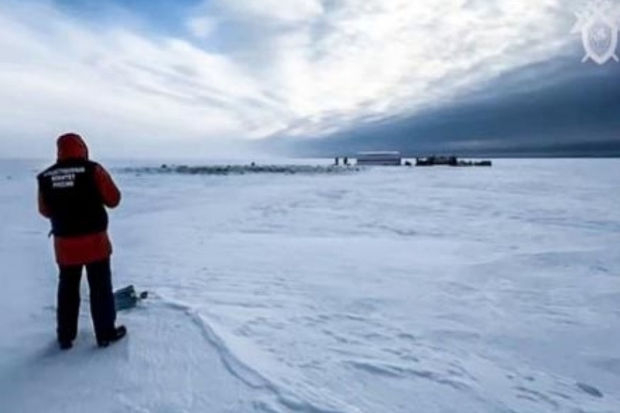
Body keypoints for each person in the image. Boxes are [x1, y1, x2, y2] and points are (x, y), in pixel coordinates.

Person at [37, 133, 126, 350]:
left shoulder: (46, 177)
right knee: (100, 287)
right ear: (83, 148)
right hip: (94, 242)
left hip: (65, 246)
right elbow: (114, 199)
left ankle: (65, 336)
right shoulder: (93, 170)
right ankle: (105, 333)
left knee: (67, 288)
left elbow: (44, 210)